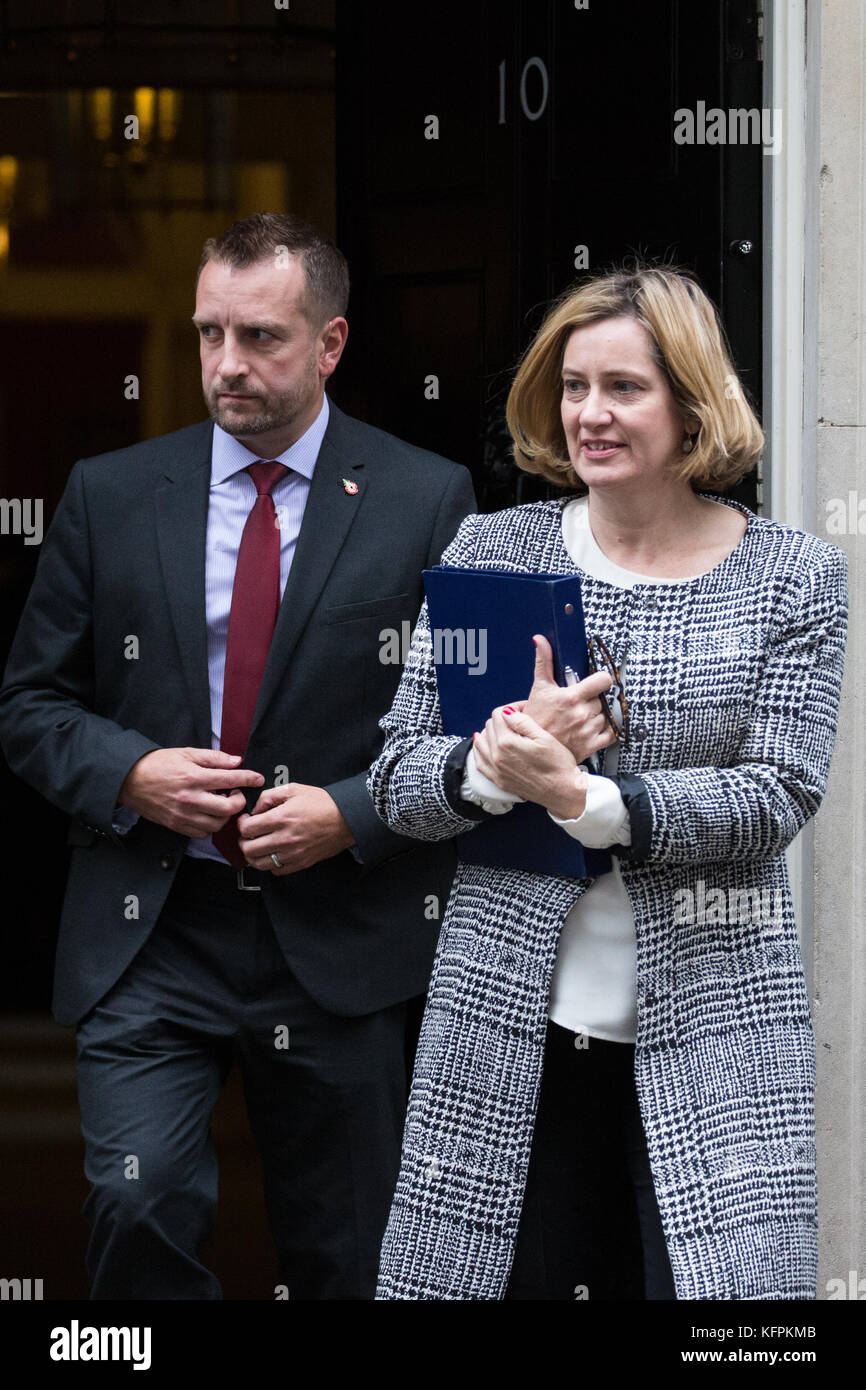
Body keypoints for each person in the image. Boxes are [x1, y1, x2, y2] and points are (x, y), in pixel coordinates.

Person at [0, 212, 476, 1300]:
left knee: (349, 1249)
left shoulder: (425, 497)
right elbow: (29, 704)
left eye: (259, 336)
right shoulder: (110, 495)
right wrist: (127, 772)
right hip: (152, 930)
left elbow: (464, 726)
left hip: (341, 934)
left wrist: (349, 812)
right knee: (136, 1200)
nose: (225, 365)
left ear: (331, 342)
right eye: (209, 333)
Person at [368, 264, 848, 1301]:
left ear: (690, 404)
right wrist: (491, 764)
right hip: (506, 1037)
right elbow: (399, 775)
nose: (588, 413)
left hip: (718, 1033)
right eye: (573, 386)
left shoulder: (792, 576)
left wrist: (587, 801)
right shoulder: (490, 553)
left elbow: (780, 790)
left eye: (623, 387)